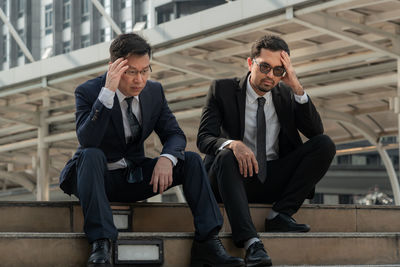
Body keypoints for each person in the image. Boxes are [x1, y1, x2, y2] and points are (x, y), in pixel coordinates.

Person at [59, 33, 245, 267]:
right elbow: (87, 139)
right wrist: (107, 93)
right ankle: (101, 243)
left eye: (145, 70)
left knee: (190, 160)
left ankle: (207, 242)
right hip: (94, 179)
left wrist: (167, 158)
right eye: (131, 72)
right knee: (91, 154)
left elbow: (174, 134)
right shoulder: (88, 91)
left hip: (132, 177)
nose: (140, 80)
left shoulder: (153, 92)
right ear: (113, 68)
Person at [197, 35, 336, 267]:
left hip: (271, 177)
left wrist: (296, 86)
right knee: (226, 154)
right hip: (229, 179)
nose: (270, 75)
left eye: (279, 70)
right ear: (250, 63)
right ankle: (251, 242)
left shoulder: (286, 94)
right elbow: (204, 138)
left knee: (325, 145)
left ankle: (280, 215)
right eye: (265, 67)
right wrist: (232, 144)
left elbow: (315, 131)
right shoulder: (222, 89)